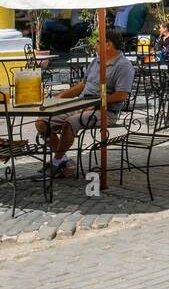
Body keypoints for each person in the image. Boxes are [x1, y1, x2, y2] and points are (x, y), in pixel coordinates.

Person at [36, 27, 134, 177]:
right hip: (81, 104)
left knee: (71, 122)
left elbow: (122, 95)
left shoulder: (124, 66)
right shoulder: (97, 61)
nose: (95, 45)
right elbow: (83, 84)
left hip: (106, 111)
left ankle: (56, 163)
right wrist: (59, 97)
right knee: (42, 122)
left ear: (108, 44)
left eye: (98, 42)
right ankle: (63, 161)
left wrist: (95, 104)